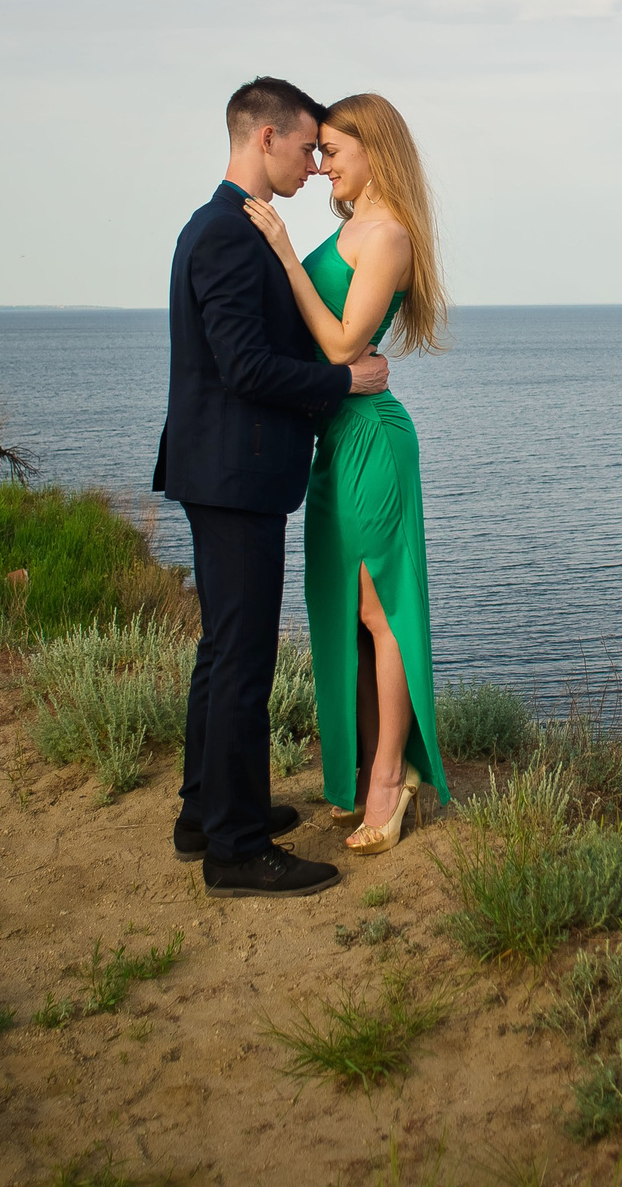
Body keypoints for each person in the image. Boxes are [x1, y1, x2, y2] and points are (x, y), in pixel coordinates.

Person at [154, 76, 391, 899]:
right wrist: (345, 382)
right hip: (232, 473)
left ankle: (208, 811)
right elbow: (244, 366)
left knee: (223, 649)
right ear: (265, 137)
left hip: (223, 469)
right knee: (243, 655)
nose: (312, 163)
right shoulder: (224, 233)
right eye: (303, 146)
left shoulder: (230, 227)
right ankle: (236, 850)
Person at [240, 92, 450, 856]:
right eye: (319, 148)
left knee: (378, 612)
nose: (321, 160)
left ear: (375, 149)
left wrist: (287, 257)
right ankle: (366, 771)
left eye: (332, 147)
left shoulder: (388, 234)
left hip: (371, 442)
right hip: (337, 439)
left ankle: (392, 782)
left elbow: (335, 348)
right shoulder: (352, 228)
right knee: (345, 613)